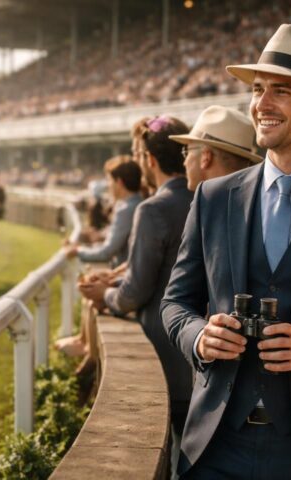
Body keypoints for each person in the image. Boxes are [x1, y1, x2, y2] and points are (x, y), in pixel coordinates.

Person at [161, 24, 291, 478]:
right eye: (257, 89)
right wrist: (199, 336)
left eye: (281, 91)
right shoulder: (213, 197)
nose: (261, 104)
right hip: (213, 446)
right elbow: (175, 302)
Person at [78, 115, 193, 477]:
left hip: (164, 350)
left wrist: (104, 295)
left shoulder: (153, 208)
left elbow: (136, 292)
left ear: (149, 160)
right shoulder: (205, 195)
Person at [66, 156, 143, 268]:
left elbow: (107, 252)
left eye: (109, 180)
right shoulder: (137, 203)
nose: (108, 185)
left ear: (119, 182)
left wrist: (78, 251)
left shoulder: (126, 209)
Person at [170, 105, 261, 192]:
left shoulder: (206, 205)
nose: (185, 163)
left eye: (187, 152)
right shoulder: (257, 201)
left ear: (206, 157)